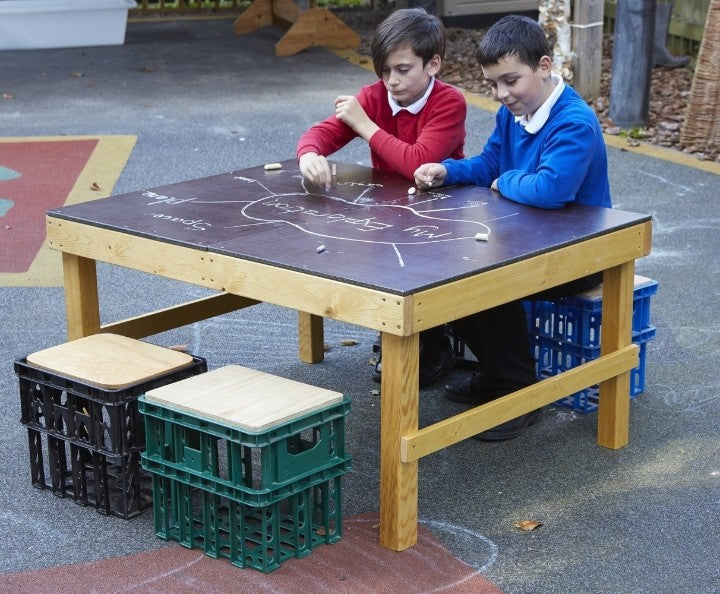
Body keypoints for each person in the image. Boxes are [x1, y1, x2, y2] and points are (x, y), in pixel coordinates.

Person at [413, 14, 612, 440]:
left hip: (583, 252)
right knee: (450, 273)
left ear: (543, 66)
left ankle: (519, 392)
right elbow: (489, 162)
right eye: (493, 84)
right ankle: (498, 374)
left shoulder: (573, 121)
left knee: (490, 283)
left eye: (510, 81)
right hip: (531, 238)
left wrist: (504, 181)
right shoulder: (515, 112)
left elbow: (550, 189)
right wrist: (448, 171)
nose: (502, 94)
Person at [297, 7, 466, 387]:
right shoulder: (373, 97)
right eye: (384, 70)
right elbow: (320, 134)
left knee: (424, 274)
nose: (391, 80)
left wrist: (363, 124)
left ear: (432, 64)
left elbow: (418, 163)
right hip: (391, 207)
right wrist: (309, 154)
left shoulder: (449, 102)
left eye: (403, 69)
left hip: (443, 207)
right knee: (378, 263)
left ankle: (435, 344)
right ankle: (394, 336)